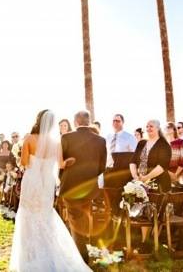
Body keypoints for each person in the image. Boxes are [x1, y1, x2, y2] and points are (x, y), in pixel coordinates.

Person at [9, 109, 93, 271]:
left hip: (32, 181)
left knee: (28, 215)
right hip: (47, 182)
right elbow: (61, 165)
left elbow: (24, 163)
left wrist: (20, 153)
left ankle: (30, 256)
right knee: (45, 215)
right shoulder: (56, 143)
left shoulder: (29, 139)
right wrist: (68, 161)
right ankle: (49, 253)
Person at [60, 110, 107, 263]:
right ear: (89, 121)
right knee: (81, 218)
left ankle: (81, 256)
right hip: (89, 188)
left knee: (75, 219)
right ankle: (81, 249)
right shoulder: (100, 140)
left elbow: (61, 164)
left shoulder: (66, 137)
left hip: (71, 187)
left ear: (75, 122)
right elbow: (102, 167)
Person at [130, 120, 172, 193]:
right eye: (147, 126)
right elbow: (132, 161)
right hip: (139, 182)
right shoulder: (141, 143)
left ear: (158, 128)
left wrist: (146, 178)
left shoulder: (164, 145)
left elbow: (162, 166)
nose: (148, 128)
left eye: (151, 126)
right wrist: (135, 176)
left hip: (158, 184)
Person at [103, 113, 137, 188]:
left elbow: (134, 156)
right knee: (107, 193)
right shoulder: (108, 137)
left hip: (121, 171)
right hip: (108, 170)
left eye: (118, 121)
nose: (115, 123)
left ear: (123, 122)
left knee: (119, 194)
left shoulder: (130, 137)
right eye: (114, 121)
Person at [165, 122, 183, 188]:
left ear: (174, 129)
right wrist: (168, 173)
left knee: (180, 195)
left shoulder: (181, 142)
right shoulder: (163, 143)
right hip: (166, 174)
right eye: (166, 128)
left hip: (179, 174)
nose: (167, 129)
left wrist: (175, 174)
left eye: (169, 127)